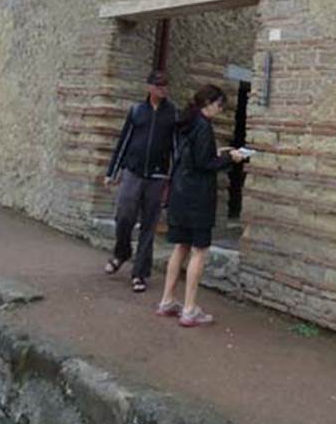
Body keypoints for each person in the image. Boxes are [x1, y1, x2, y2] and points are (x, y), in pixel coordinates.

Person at [156, 84, 246, 327]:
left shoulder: (186, 122)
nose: (219, 110)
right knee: (199, 251)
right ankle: (189, 309)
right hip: (197, 198)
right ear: (209, 102)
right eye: (219, 105)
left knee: (180, 248)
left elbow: (193, 156)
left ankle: (167, 300)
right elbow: (205, 163)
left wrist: (217, 152)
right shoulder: (204, 126)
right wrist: (230, 157)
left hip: (179, 194)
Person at [103, 70, 177, 292]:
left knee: (149, 225)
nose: (162, 89)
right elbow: (123, 142)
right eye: (158, 85)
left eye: (165, 85)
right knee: (124, 215)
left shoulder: (172, 113)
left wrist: (172, 179)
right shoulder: (137, 111)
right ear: (149, 87)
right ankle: (122, 252)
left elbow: (175, 148)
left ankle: (140, 273)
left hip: (157, 176)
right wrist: (112, 171)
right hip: (132, 172)